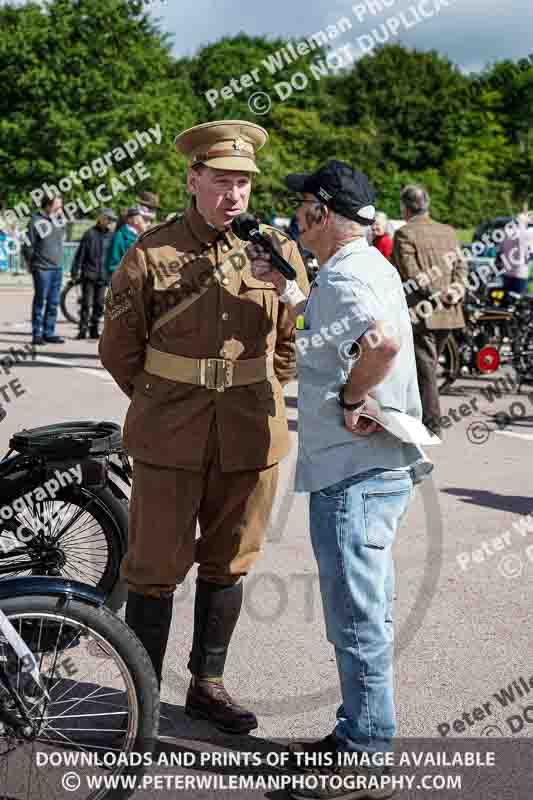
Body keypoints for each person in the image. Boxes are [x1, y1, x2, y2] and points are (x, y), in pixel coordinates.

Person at [99, 120, 309, 734]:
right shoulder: (151, 252)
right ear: (193, 180)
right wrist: (164, 397)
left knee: (229, 562)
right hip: (171, 435)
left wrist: (262, 381)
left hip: (247, 432)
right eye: (221, 181)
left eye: (243, 182)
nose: (234, 194)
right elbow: (118, 348)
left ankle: (207, 687)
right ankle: (141, 696)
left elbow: (292, 336)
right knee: (154, 568)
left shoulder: (276, 248)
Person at [250, 160, 429, 800]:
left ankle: (364, 752)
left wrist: (354, 397)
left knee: (356, 615)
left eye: (302, 208)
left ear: (322, 214)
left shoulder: (351, 277)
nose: (296, 217)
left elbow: (377, 342)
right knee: (360, 609)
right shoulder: (363, 267)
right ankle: (357, 731)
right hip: (372, 470)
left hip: (356, 475)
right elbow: (336, 328)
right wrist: (291, 291)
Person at [392, 185, 468, 436]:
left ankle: (431, 427)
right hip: (449, 311)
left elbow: (412, 273)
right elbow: (461, 267)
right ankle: (422, 421)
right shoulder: (448, 231)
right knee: (428, 368)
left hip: (423, 312)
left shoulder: (404, 233)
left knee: (425, 371)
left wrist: (437, 293)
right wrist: (455, 290)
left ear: (405, 207)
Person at [22, 195, 66, 346]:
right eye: (57, 206)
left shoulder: (59, 221)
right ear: (48, 206)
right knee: (40, 301)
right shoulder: (35, 221)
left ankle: (49, 332)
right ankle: (37, 334)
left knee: (54, 302)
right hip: (42, 268)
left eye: (61, 206)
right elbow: (27, 245)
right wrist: (31, 263)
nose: (60, 209)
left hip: (57, 267)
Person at [71, 208, 117, 340]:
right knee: (86, 303)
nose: (110, 222)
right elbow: (80, 254)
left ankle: (94, 329)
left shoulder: (112, 236)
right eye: (108, 219)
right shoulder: (89, 234)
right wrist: (75, 271)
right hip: (89, 274)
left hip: (103, 275)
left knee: (99, 304)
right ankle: (82, 329)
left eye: (111, 220)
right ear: (101, 218)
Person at [104, 206, 150, 279]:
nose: (148, 223)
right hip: (125, 283)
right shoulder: (119, 236)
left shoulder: (142, 236)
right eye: (145, 220)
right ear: (134, 220)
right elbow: (112, 265)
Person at [499, 211, 532, 295]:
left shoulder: (506, 234)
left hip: (506, 273)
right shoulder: (526, 234)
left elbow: (501, 252)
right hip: (520, 274)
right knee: (519, 303)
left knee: (507, 300)